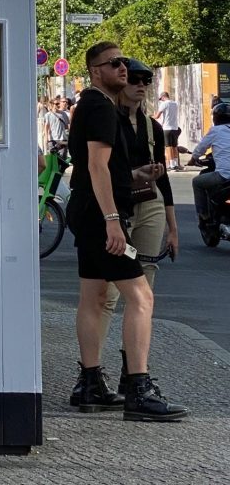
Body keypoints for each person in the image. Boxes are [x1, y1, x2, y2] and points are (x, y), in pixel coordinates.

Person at [65, 41, 186, 421]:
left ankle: (90, 383)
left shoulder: (90, 105)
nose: (123, 68)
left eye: (124, 62)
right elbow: (97, 168)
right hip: (101, 218)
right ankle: (138, 388)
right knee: (141, 296)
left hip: (85, 212)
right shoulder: (101, 106)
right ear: (95, 71)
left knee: (94, 295)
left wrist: (132, 175)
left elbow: (93, 169)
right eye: (114, 63)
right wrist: (113, 220)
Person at [99, 58, 178, 384]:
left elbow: (163, 179)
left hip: (150, 206)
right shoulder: (107, 121)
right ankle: (92, 371)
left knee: (144, 288)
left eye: (146, 80)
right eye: (134, 79)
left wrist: (173, 228)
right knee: (108, 294)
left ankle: (131, 370)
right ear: (121, 83)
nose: (141, 85)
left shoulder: (152, 127)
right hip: (118, 208)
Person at [188, 101, 230, 220]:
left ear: (216, 118)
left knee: (197, 182)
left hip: (224, 176)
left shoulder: (216, 130)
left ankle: (203, 214)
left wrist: (192, 160)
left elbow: (200, 149)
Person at [154, 91, 181, 170]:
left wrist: (150, 116)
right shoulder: (175, 103)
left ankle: (171, 165)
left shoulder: (164, 104)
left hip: (167, 128)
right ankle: (176, 164)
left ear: (163, 97)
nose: (161, 100)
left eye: (161, 99)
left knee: (168, 147)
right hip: (175, 128)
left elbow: (157, 116)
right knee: (174, 146)